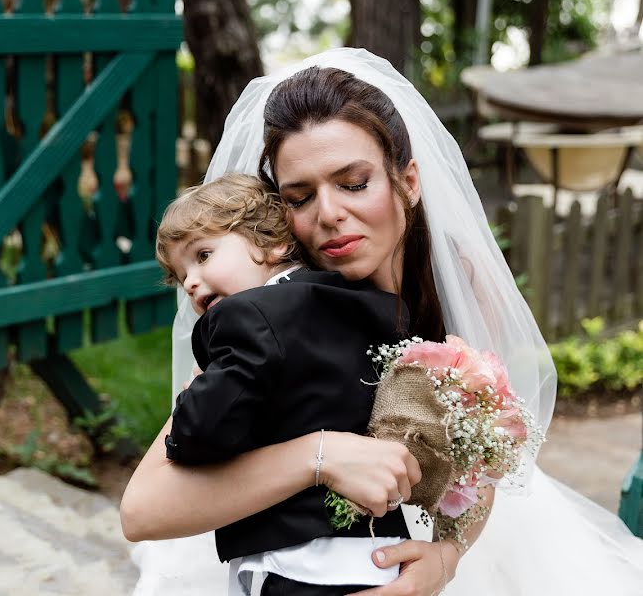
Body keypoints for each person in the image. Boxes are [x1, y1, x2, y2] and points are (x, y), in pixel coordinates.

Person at [121, 49, 643, 596]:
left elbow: (480, 456)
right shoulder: (268, 318)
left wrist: (446, 557)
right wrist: (320, 456)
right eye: (300, 197)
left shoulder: (456, 286)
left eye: (353, 183)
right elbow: (143, 511)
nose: (327, 214)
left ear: (408, 181)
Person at [156, 173, 418, 594]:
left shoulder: (246, 317)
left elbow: (207, 427)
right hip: (378, 549)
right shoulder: (365, 302)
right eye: (180, 274)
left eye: (203, 255)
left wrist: (188, 408)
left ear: (272, 243)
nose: (189, 281)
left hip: (297, 562)